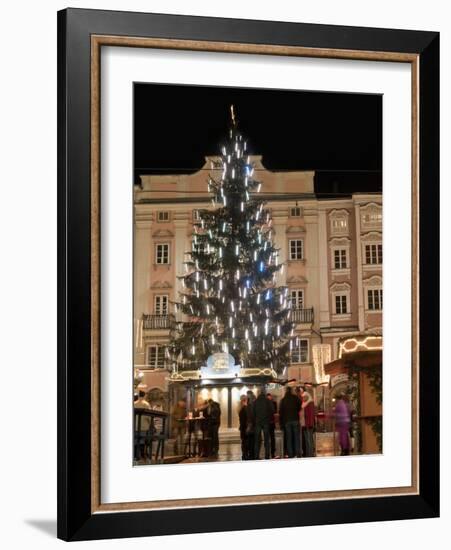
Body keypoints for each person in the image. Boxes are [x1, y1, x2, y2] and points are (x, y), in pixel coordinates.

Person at [279, 385, 302, 458]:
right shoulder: (295, 398)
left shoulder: (283, 400)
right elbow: (300, 406)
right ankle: (298, 453)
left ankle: (290, 454)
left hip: (287, 421)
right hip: (295, 419)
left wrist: (281, 423)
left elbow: (281, 412)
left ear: (286, 391)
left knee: (289, 438)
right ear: (291, 391)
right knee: (296, 437)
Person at [252, 388, 273, 459]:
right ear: (264, 394)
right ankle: (267, 455)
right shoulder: (268, 401)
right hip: (266, 422)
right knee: (267, 440)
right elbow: (272, 410)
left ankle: (256, 456)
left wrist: (255, 420)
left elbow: (253, 412)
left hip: (258, 422)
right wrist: (269, 418)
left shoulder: (255, 402)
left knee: (257, 440)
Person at [299, 388, 315, 457]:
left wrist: (309, 424)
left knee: (309, 440)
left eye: (305, 397)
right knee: (307, 440)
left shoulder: (310, 403)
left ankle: (310, 454)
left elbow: (310, 415)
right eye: (303, 397)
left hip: (308, 425)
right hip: (304, 425)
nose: (303, 398)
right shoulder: (304, 404)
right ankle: (308, 453)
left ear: (308, 397)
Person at [267, 393, 278, 458]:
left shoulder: (273, 403)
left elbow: (275, 412)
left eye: (269, 397)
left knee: (271, 438)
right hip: (269, 423)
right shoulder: (272, 403)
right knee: (270, 438)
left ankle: (272, 452)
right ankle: (270, 453)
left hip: (270, 423)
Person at [246, 390, 256, 459]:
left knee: (251, 440)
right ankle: (252, 454)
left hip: (252, 424)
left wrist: (249, 425)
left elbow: (250, 414)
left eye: (247, 394)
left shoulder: (250, 403)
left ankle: (251, 454)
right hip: (253, 423)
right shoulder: (253, 401)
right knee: (252, 440)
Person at [238, 395, 249, 459]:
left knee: (243, 441)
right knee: (245, 442)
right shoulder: (244, 409)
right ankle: (245, 454)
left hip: (242, 427)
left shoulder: (240, 409)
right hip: (245, 427)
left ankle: (244, 454)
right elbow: (246, 419)